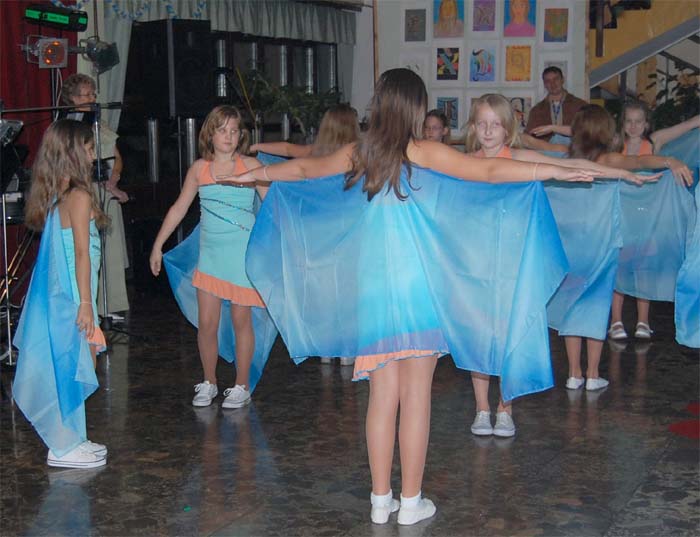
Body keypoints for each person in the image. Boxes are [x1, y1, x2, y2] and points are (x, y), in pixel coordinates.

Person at [232, 69, 602, 526]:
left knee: (382, 396)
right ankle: (411, 502)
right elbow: (489, 171)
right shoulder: (423, 151)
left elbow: (305, 169)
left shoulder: (361, 152)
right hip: (418, 291)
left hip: (373, 292)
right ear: (414, 107)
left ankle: (379, 500)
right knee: (416, 397)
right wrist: (556, 169)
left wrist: (255, 173)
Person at [464, 94, 653, 435]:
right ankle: (481, 408)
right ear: (473, 127)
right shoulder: (464, 163)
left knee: (508, 334)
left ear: (508, 129)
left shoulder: (518, 157)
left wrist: (623, 174)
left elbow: (574, 164)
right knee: (479, 335)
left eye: (496, 124)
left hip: (514, 261)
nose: (489, 131)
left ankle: (505, 408)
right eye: (482, 124)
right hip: (478, 261)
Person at [526, 104, 691, 391]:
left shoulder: (564, 157)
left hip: (569, 246)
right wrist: (670, 161)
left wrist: (522, 133)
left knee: (571, 305)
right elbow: (641, 161)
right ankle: (592, 374)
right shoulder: (609, 160)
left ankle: (574, 373)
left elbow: (534, 145)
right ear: (605, 132)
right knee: (594, 306)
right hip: (600, 246)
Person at [150, 105, 269, 409]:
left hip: (242, 258)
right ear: (210, 134)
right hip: (211, 257)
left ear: (241, 135)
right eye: (222, 130)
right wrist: (157, 245)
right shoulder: (199, 169)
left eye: (234, 130)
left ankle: (241, 385)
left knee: (242, 320)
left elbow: (272, 208)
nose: (229, 136)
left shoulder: (251, 166)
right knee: (206, 322)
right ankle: (209, 381)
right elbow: (179, 208)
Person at [13, 119, 109, 468]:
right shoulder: (78, 196)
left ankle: (72, 438)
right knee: (79, 363)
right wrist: (85, 303)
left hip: (69, 291)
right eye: (88, 149)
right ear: (72, 154)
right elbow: (82, 253)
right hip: (71, 293)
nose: (93, 155)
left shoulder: (62, 193)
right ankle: (62, 446)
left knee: (77, 361)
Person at [251, 104, 360, 368]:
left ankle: (325, 347)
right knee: (347, 289)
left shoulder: (316, 154)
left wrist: (256, 146)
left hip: (316, 231)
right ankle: (346, 349)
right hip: (348, 231)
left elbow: (288, 150)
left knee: (322, 289)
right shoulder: (357, 156)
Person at [609, 101, 700, 340]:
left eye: (638, 121)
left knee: (644, 265)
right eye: (629, 121)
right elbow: (583, 131)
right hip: (621, 214)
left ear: (646, 123)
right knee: (619, 265)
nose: (633, 126)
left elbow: (689, 125)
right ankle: (616, 320)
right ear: (622, 123)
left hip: (648, 215)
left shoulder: (654, 141)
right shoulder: (615, 143)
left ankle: (643, 320)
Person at [60, 73, 130, 319]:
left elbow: (116, 157)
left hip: (105, 190)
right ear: (72, 98)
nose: (91, 98)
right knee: (86, 248)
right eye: (85, 95)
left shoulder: (100, 124)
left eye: (93, 94)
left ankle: (109, 306)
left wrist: (114, 176)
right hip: (84, 190)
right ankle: (89, 306)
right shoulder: (69, 128)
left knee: (109, 249)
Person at [251, 104, 360, 158]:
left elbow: (288, 149)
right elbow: (287, 149)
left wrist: (255, 147)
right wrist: (256, 147)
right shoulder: (360, 153)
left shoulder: (318, 151)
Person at [526, 67, 587, 139]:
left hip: (574, 146)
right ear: (544, 84)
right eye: (548, 81)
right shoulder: (536, 111)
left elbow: (589, 131)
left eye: (556, 79)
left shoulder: (580, 106)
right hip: (544, 146)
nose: (553, 84)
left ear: (562, 80)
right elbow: (529, 135)